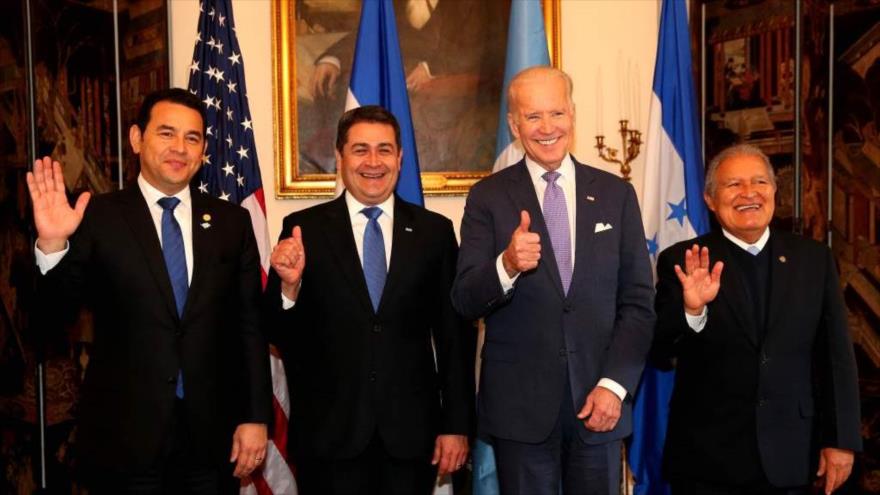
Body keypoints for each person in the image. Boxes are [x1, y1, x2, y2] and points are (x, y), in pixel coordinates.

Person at [27, 88, 272, 494]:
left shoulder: (232, 223)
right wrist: (52, 246)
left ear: (204, 150)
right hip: (122, 441)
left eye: (192, 138)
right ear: (137, 138)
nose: (179, 148)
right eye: (166, 134)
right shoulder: (97, 216)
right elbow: (49, 323)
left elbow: (249, 326)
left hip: (211, 443)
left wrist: (255, 417)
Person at [451, 66, 656, 494]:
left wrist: (614, 386)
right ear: (514, 124)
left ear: (573, 115)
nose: (547, 128)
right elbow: (465, 300)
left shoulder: (617, 195)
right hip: (520, 411)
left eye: (557, 114)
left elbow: (637, 302)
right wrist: (506, 264)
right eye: (533, 117)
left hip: (599, 401)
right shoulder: (487, 197)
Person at [264, 105, 474, 495]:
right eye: (360, 150)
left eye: (384, 149)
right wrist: (289, 288)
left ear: (400, 158)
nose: (373, 162)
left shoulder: (434, 233)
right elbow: (277, 335)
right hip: (329, 438)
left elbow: (454, 340)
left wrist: (456, 426)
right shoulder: (303, 229)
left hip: (411, 440)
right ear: (340, 157)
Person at [653, 144, 862, 494]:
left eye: (760, 182)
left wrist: (841, 440)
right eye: (733, 185)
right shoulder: (684, 259)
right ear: (709, 199)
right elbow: (660, 351)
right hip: (708, 461)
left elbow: (835, 357)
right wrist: (692, 310)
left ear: (774, 191)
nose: (749, 193)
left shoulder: (814, 260)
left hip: (794, 455)